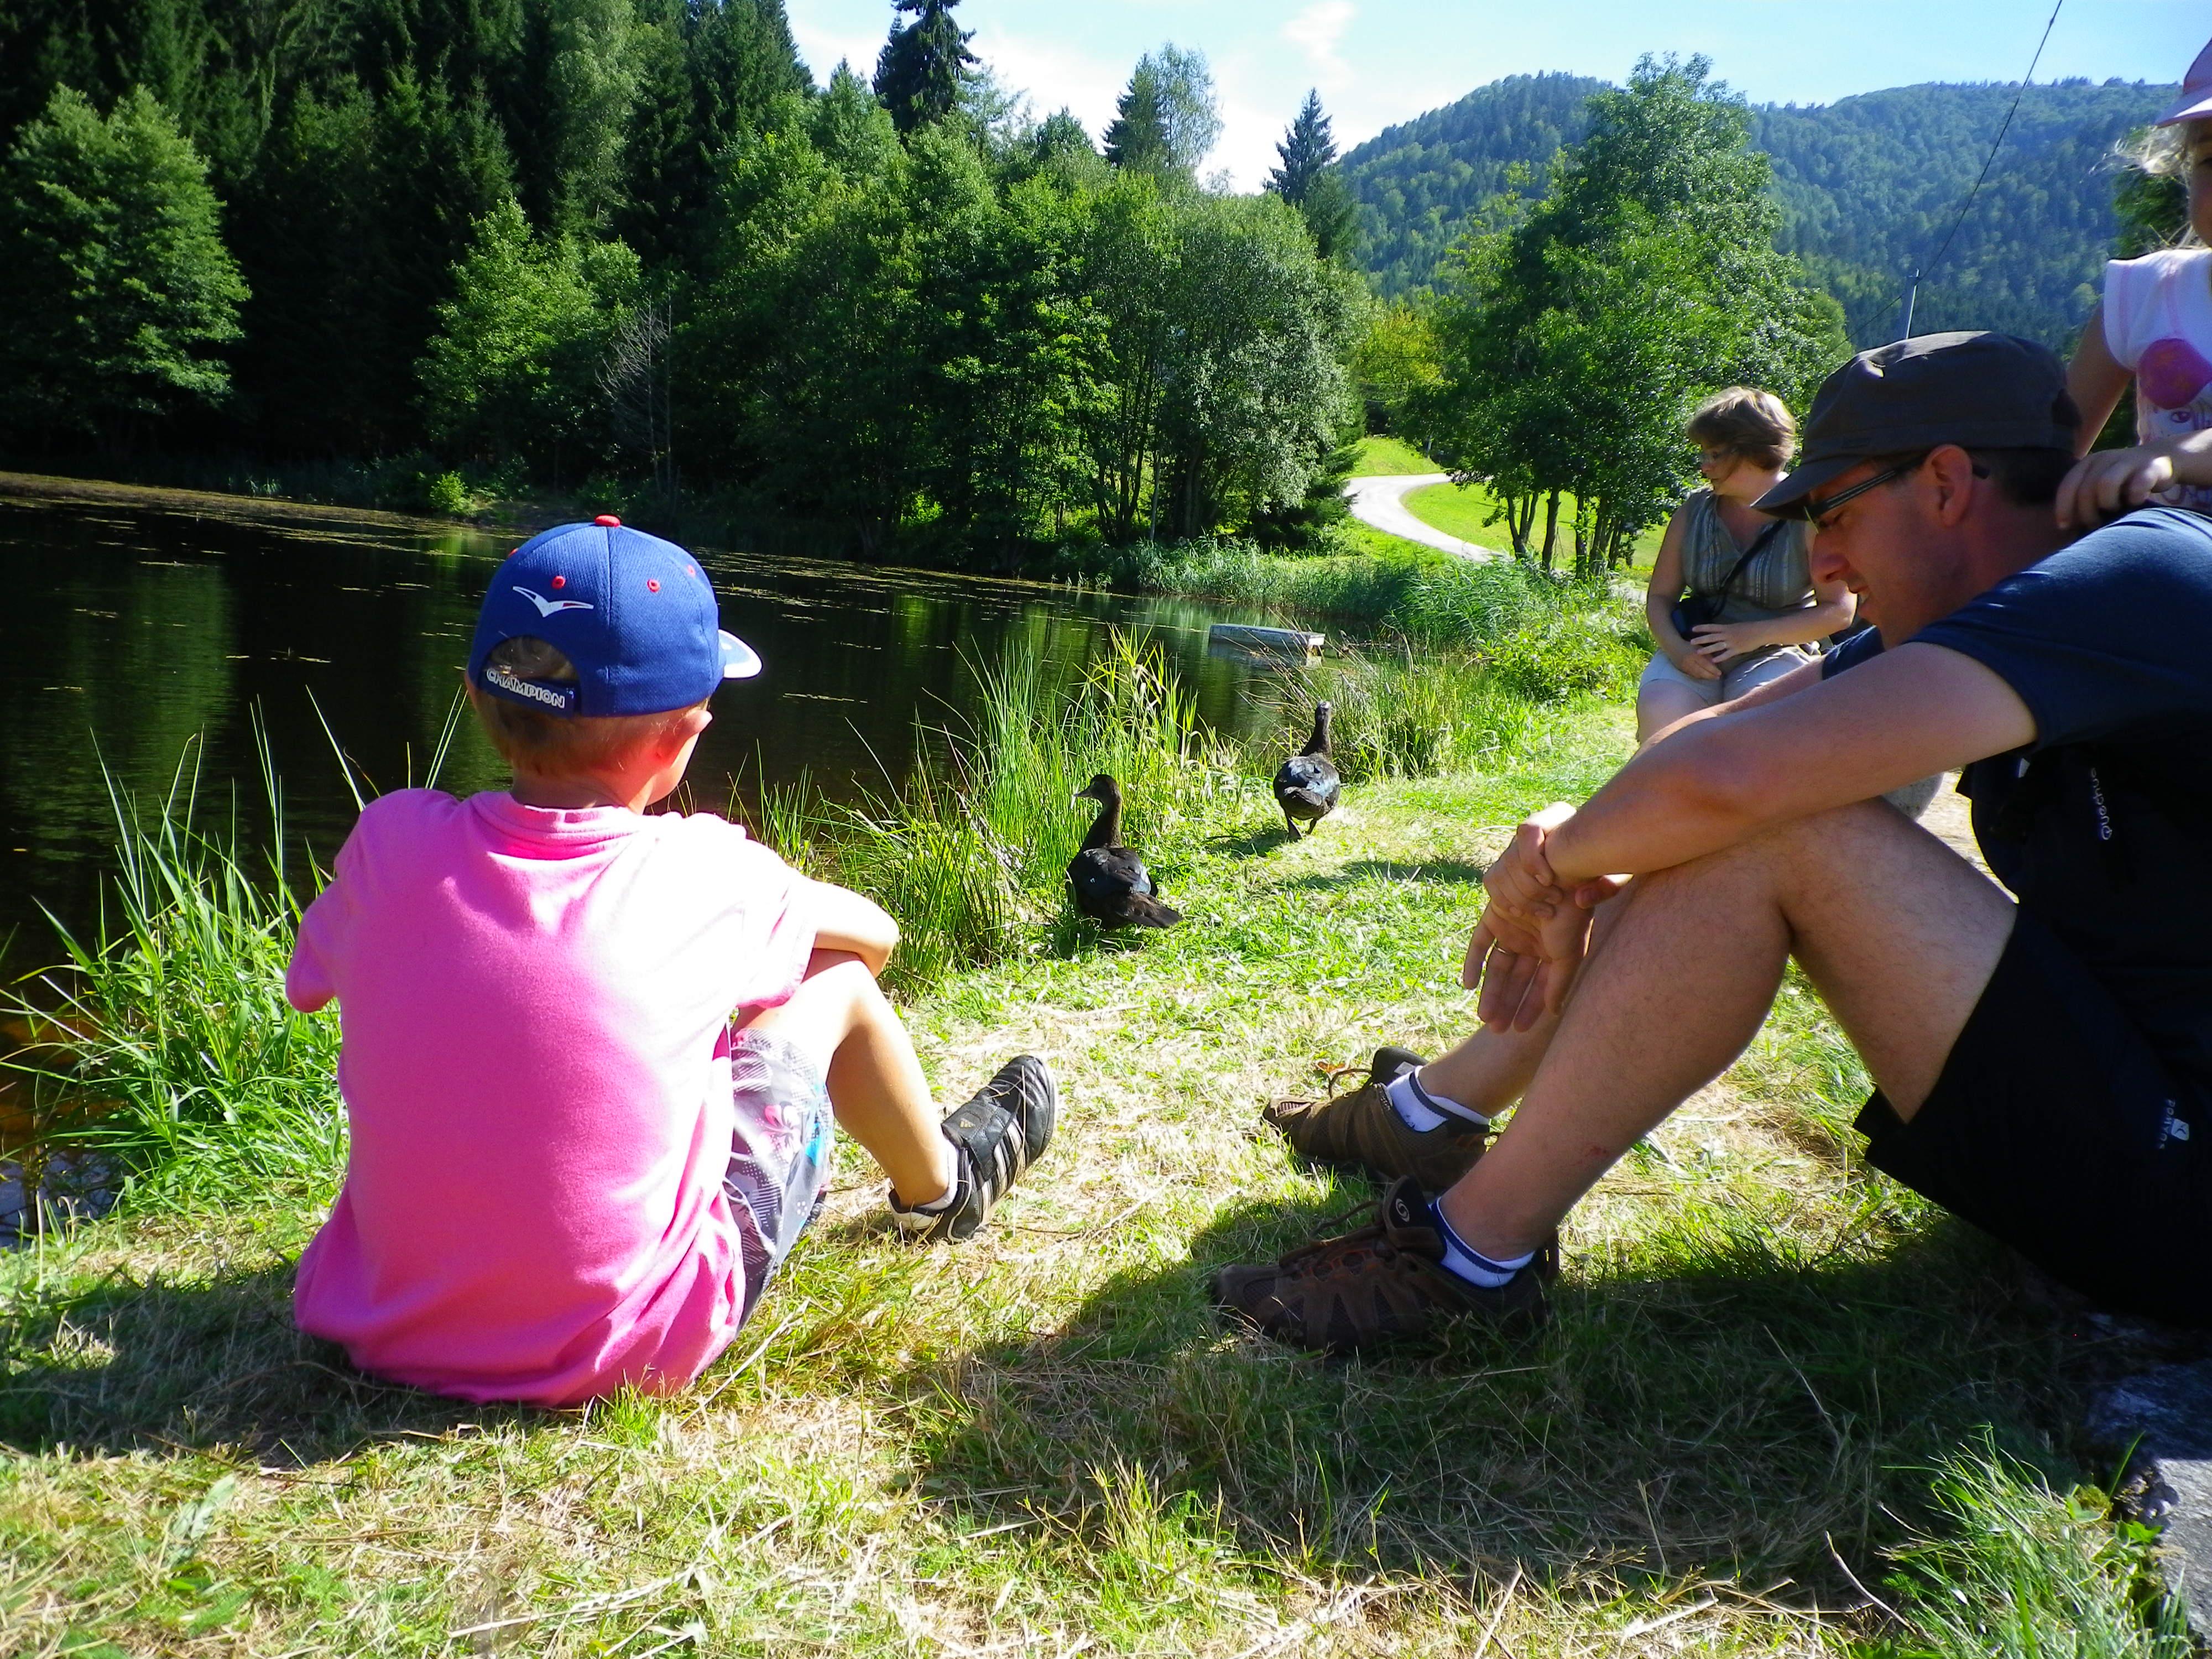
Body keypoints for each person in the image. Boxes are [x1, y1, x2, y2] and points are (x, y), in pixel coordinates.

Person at [1224, 332, 2212, 1352]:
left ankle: (1467, 1261)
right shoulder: (1983, 609)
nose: (1824, 561)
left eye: (1835, 515)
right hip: (2128, 1102)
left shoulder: (2141, 576)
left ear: (1950, 482)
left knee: (1779, 823)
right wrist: (1572, 833)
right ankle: (1435, 1116)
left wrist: (1546, 876)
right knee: (1715, 815)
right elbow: (1717, 736)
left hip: (2184, 1190)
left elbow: (1735, 782)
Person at [286, 517, 1056, 1406]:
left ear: (473, 693)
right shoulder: (706, 870)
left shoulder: (393, 840)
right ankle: (945, 1188)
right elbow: (875, 938)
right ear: (684, 733)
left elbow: (316, 985)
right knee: (836, 983)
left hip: (381, 1332)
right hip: (630, 1351)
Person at [1637, 388, 1856, 744]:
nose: (1704, 466)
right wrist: (1679, 652)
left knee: (1753, 736)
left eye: (1716, 454)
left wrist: (1751, 635)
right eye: (1703, 454)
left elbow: (1839, 612)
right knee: (1665, 726)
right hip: (1694, 651)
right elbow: (1660, 597)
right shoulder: (1693, 510)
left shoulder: (1810, 517)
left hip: (1776, 653)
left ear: (1755, 452)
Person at [2064, 38, 2212, 514]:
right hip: (2161, 560)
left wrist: (2174, 454)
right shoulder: (2146, 293)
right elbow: (2051, 451)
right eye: (2211, 160)